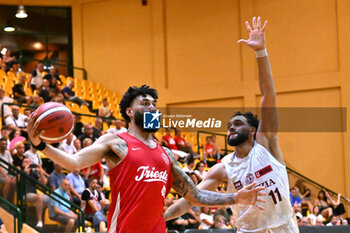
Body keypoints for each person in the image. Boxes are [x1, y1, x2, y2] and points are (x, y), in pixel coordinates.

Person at [27, 85, 265, 233]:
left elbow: (195, 195)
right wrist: (41, 145)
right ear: (130, 112)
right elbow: (74, 162)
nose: (152, 108)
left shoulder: (165, 153)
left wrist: (235, 197)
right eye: (145, 104)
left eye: (154, 104)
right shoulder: (115, 142)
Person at [164, 17, 299, 233]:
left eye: (237, 124)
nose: (232, 128)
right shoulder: (223, 168)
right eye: (229, 126)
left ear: (253, 130)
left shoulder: (266, 144)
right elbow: (192, 198)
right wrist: (162, 218)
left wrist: (260, 52)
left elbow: (268, 95)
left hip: (283, 228)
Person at [22, 157, 49, 228]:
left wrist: (40, 172)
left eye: (29, 162)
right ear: (22, 164)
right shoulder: (20, 172)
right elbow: (15, 181)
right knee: (39, 197)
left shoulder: (33, 174)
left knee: (53, 199)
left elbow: (43, 183)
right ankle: (40, 220)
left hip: (34, 194)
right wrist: (24, 173)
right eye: (25, 162)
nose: (28, 164)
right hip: (25, 194)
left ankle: (49, 218)